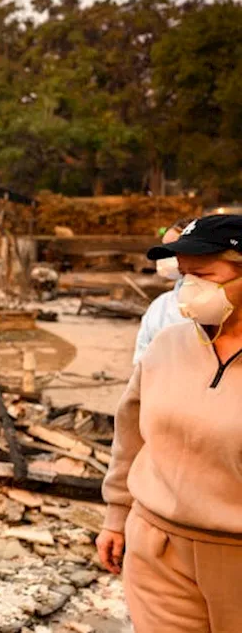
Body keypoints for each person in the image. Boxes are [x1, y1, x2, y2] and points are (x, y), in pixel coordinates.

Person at [97, 214, 242, 631]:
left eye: (204, 275)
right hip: (157, 553)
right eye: (184, 276)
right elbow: (129, 436)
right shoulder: (166, 346)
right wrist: (116, 516)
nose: (189, 289)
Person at [133, 218, 194, 363]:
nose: (165, 257)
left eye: (173, 249)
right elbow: (142, 362)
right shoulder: (160, 306)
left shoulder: (218, 304)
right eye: (164, 249)